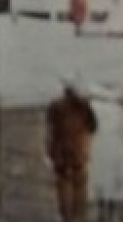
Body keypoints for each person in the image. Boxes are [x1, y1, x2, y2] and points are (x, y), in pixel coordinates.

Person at [44, 74, 98, 221]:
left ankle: (66, 218)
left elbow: (50, 130)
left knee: (63, 186)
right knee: (79, 185)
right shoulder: (84, 107)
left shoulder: (54, 107)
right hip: (78, 151)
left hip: (60, 152)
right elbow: (93, 127)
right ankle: (78, 217)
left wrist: (49, 151)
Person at [88, 83, 123, 221]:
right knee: (114, 182)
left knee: (99, 180)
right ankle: (112, 214)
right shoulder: (118, 111)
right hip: (115, 146)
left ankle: (100, 211)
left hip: (98, 146)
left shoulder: (91, 109)